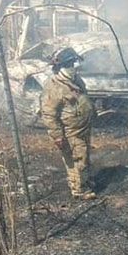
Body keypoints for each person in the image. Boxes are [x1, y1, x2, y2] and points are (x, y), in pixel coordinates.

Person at [41, 46, 96, 200]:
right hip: (70, 131)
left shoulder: (75, 79)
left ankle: (85, 181)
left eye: (73, 64)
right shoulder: (54, 86)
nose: (72, 68)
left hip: (83, 128)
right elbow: (49, 114)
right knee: (77, 159)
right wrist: (57, 135)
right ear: (59, 67)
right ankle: (78, 189)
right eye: (68, 65)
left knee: (84, 156)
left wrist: (92, 113)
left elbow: (83, 97)